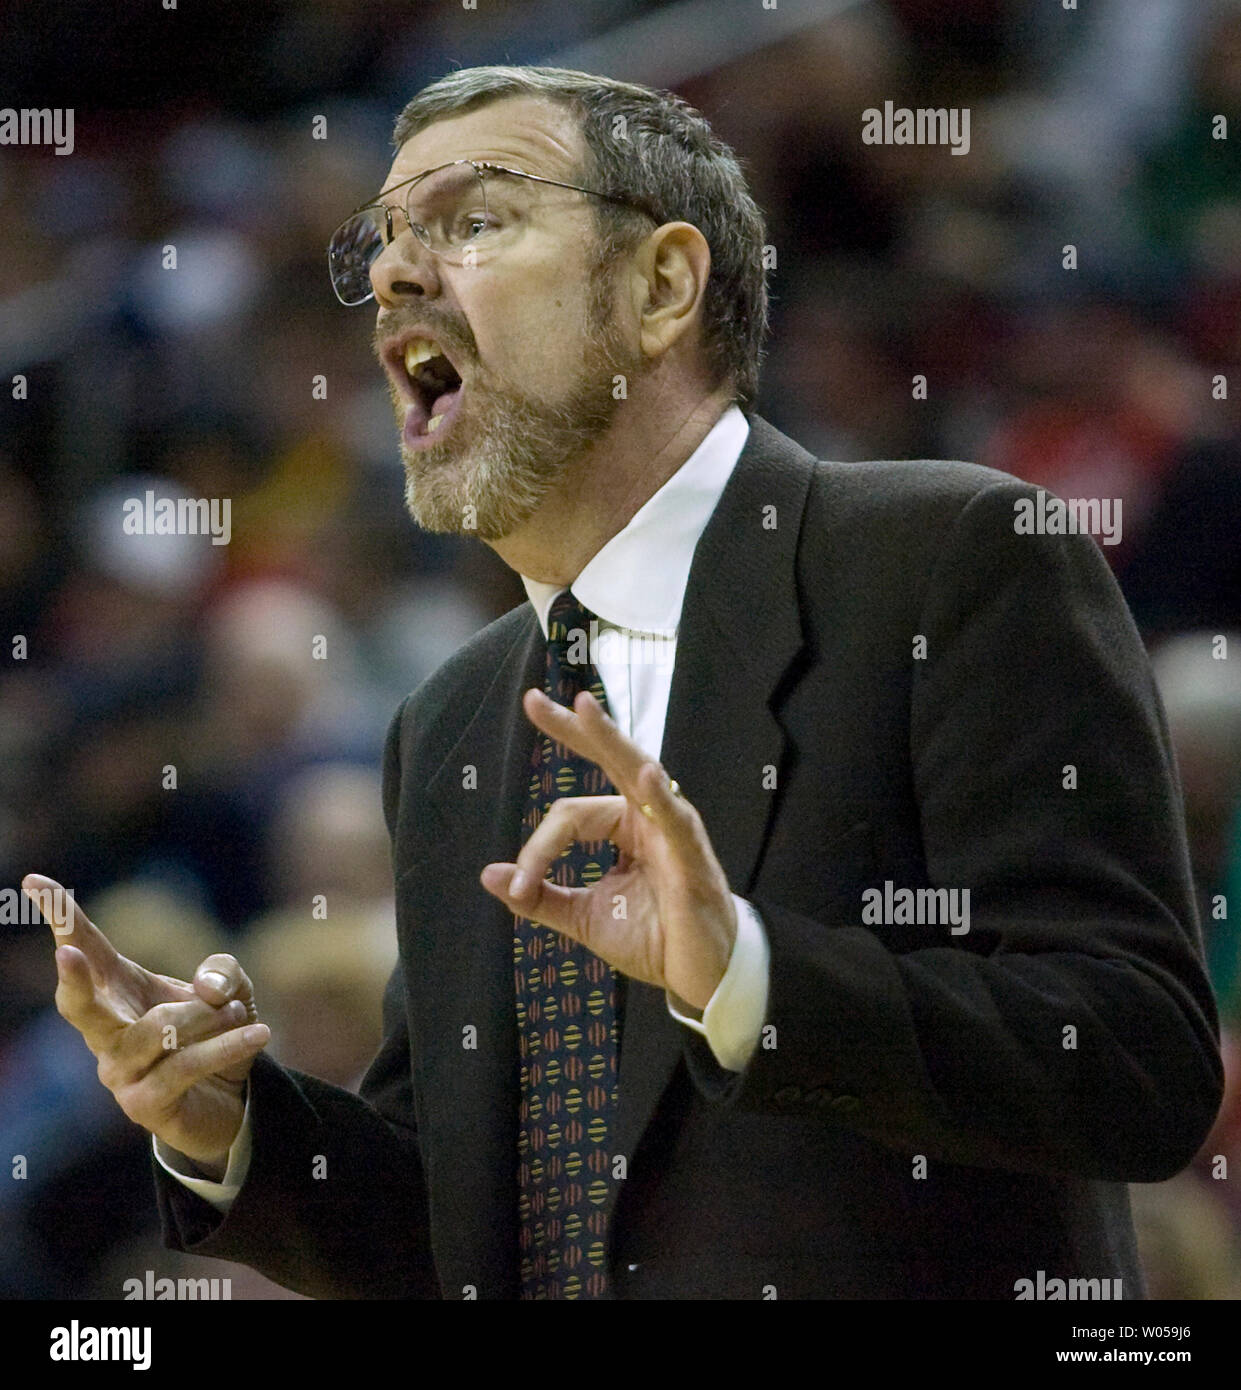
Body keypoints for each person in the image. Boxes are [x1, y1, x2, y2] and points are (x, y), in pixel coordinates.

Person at [25, 65, 1223, 1301]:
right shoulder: (445, 722)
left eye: (474, 220)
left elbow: (1134, 1065)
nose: (389, 275)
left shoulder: (945, 560)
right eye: (381, 241)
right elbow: (463, 1230)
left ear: (658, 288)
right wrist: (233, 1126)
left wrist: (746, 975)